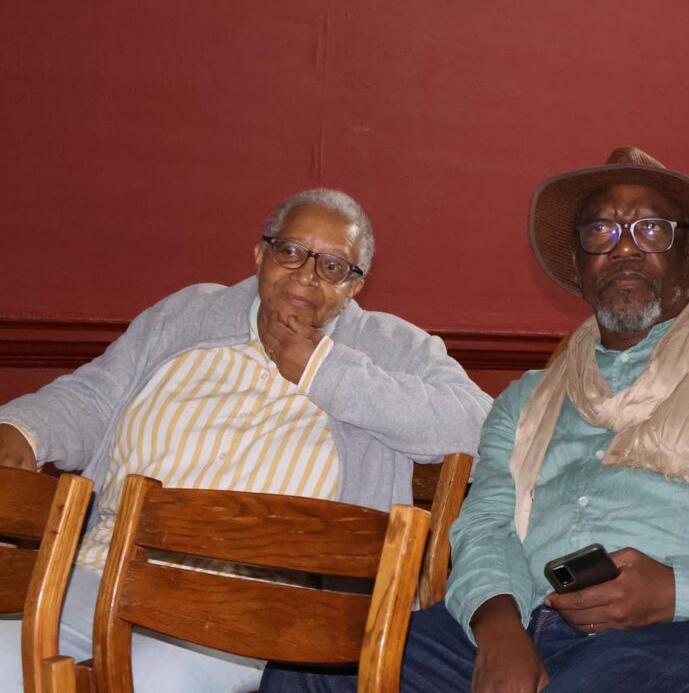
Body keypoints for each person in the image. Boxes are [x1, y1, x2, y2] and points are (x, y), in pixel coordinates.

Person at [260, 149, 689, 693]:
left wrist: (677, 589)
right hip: (526, 620)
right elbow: (486, 526)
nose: (624, 247)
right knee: (314, 669)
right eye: (602, 230)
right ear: (578, 265)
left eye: (651, 229)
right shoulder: (526, 399)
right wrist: (498, 628)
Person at [0, 188, 492, 693]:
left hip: (261, 606)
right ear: (260, 254)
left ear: (354, 287)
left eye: (332, 267)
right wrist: (22, 430)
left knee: (156, 680)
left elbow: (483, 431)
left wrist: (325, 371)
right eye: (292, 251)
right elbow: (93, 396)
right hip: (105, 572)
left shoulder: (393, 347)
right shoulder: (187, 314)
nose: (307, 275)